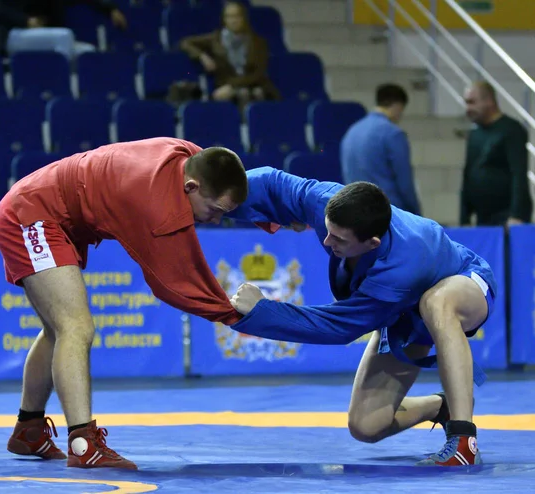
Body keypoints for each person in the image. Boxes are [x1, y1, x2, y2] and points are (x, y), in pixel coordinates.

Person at [0, 138, 247, 470]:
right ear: (190, 187)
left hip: (42, 207)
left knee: (58, 331)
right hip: (29, 215)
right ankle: (83, 444)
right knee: (76, 328)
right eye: (214, 211)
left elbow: (236, 180)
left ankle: (29, 430)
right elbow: (176, 285)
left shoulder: (186, 154)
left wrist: (273, 216)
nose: (214, 221)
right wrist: (233, 314)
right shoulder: (153, 200)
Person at [226, 167, 495, 466]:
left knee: (436, 302)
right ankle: (439, 406)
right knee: (366, 425)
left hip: (465, 282)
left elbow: (338, 327)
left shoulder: (401, 269)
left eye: (339, 239)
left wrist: (264, 311)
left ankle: (463, 440)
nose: (327, 242)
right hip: (406, 313)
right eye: (326, 230)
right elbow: (269, 183)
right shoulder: (327, 202)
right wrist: (207, 200)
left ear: (372, 244)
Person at [341, 84, 421, 216]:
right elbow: (405, 182)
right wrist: (416, 215)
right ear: (398, 106)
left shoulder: (352, 132)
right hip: (388, 214)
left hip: (356, 214)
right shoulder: (393, 134)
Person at [180, 1, 279, 106]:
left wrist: (232, 86)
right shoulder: (215, 39)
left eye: (237, 16)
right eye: (229, 17)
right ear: (224, 19)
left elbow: (257, 74)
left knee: (252, 93)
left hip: (254, 85)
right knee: (237, 95)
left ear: (244, 18)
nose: (233, 21)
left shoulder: (259, 43)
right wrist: (202, 56)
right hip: (225, 88)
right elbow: (185, 43)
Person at [461, 81, 532, 227]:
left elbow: (518, 174)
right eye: (466, 103)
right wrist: (464, 218)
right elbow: (468, 176)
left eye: (472, 102)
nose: (468, 108)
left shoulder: (512, 130)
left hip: (507, 217)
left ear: (489, 101)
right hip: (483, 218)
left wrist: (516, 215)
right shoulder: (474, 134)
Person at [0, 0, 128, 59]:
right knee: (64, 36)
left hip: (44, 36)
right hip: (13, 34)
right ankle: (60, 76)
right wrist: (26, 21)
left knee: (88, 52)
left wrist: (110, 9)